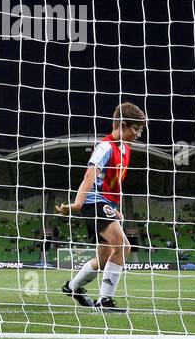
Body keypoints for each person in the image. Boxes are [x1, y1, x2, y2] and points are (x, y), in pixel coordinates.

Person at [58, 102, 147, 313]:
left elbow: (111, 183)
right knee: (123, 246)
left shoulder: (125, 149)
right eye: (136, 129)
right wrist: (77, 204)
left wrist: (114, 208)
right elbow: (90, 174)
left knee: (104, 258)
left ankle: (72, 287)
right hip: (93, 203)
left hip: (104, 204)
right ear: (123, 125)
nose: (138, 134)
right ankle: (104, 301)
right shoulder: (105, 146)